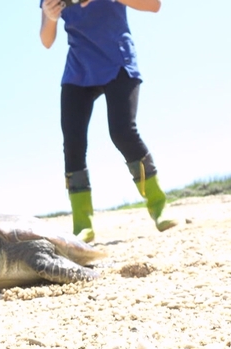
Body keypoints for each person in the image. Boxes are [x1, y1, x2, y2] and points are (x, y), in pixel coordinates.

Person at [39, 0, 177, 243]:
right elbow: (46, 40)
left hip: (118, 62)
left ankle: (159, 206)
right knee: (73, 142)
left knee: (122, 132)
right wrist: (50, 17)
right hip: (79, 70)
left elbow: (154, 5)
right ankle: (82, 224)